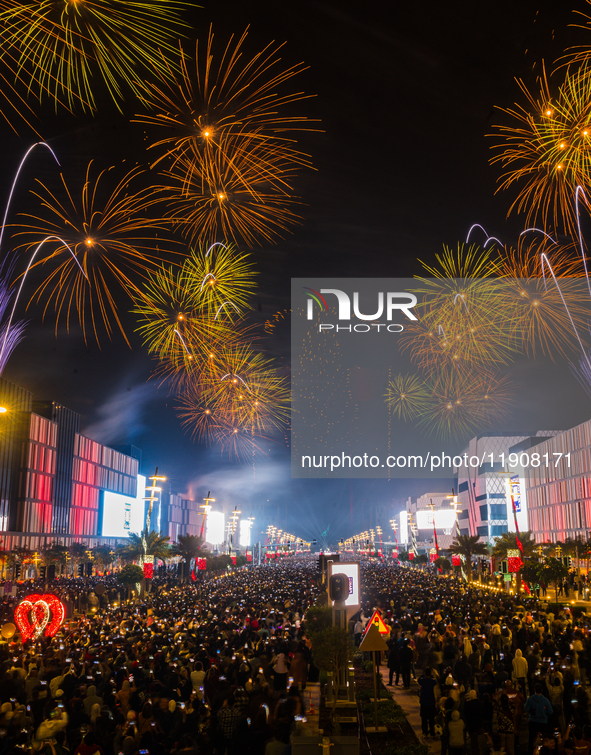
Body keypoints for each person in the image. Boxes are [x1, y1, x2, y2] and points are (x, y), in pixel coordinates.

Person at [525, 683, 553, 755]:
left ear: (534, 690)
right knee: (544, 740)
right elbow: (550, 711)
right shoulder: (545, 700)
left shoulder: (530, 699)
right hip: (543, 723)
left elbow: (526, 709)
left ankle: (532, 752)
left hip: (533, 722)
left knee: (531, 739)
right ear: (542, 690)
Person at [418, 667, 438, 737]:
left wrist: (423, 674)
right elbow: (434, 679)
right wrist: (431, 675)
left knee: (424, 718)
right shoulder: (433, 682)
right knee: (431, 718)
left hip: (424, 702)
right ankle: (432, 732)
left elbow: (419, 679)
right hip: (431, 702)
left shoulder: (422, 681)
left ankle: (425, 732)